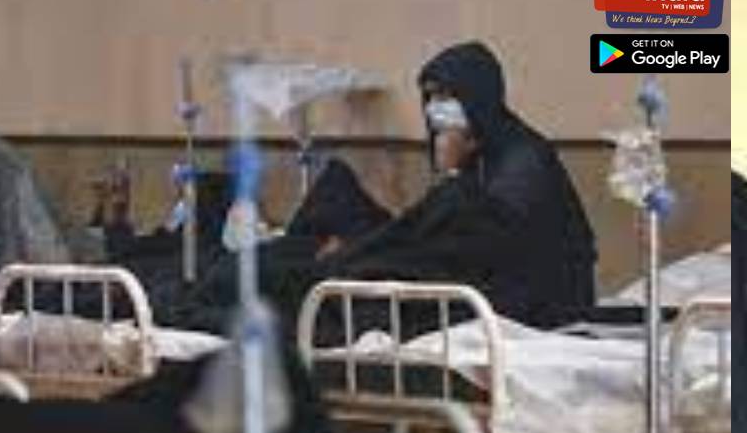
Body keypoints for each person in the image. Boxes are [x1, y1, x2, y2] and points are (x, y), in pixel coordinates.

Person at [174, 41, 598, 334]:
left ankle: (258, 285)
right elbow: (437, 236)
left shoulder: (524, 159)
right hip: (455, 278)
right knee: (324, 213)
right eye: (430, 97)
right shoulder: (478, 153)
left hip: (525, 299)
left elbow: (480, 244)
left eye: (446, 96)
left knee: (297, 283)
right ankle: (268, 273)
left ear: (479, 98)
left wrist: (366, 255)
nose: (436, 109)